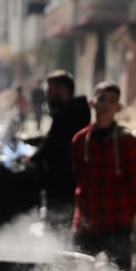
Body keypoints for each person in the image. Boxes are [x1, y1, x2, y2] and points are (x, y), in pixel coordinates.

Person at [70, 80, 136, 271]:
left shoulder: (127, 141)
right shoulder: (80, 141)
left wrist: (124, 215)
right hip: (85, 225)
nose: (105, 105)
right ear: (92, 103)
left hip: (116, 225)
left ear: (119, 108)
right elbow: (78, 178)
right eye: (101, 99)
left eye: (112, 101)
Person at [28, 70, 90, 223]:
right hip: (63, 186)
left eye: (50, 90)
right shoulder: (70, 111)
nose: (47, 95)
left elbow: (54, 143)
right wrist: (31, 141)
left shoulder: (70, 113)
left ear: (62, 90)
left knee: (61, 229)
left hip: (65, 187)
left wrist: (31, 158)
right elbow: (52, 137)